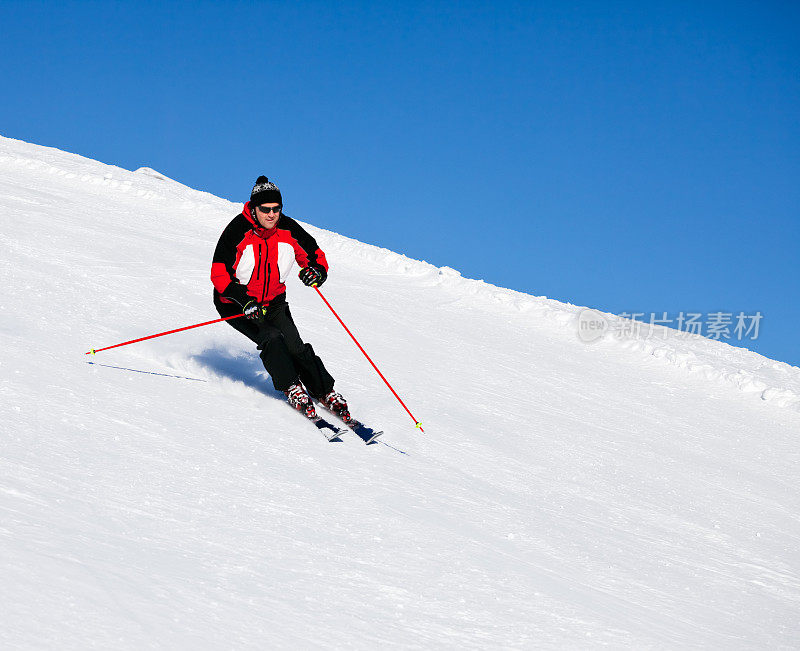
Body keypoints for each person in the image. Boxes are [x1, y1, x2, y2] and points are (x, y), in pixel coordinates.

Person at [211, 175, 351, 423]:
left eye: (276, 209)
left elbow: (314, 254)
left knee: (295, 346)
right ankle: (291, 386)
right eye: (265, 209)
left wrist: (316, 272)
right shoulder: (237, 231)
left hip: (273, 301)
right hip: (236, 303)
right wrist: (243, 300)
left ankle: (324, 391)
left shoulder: (287, 229)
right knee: (272, 338)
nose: (271, 215)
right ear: (253, 208)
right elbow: (220, 273)